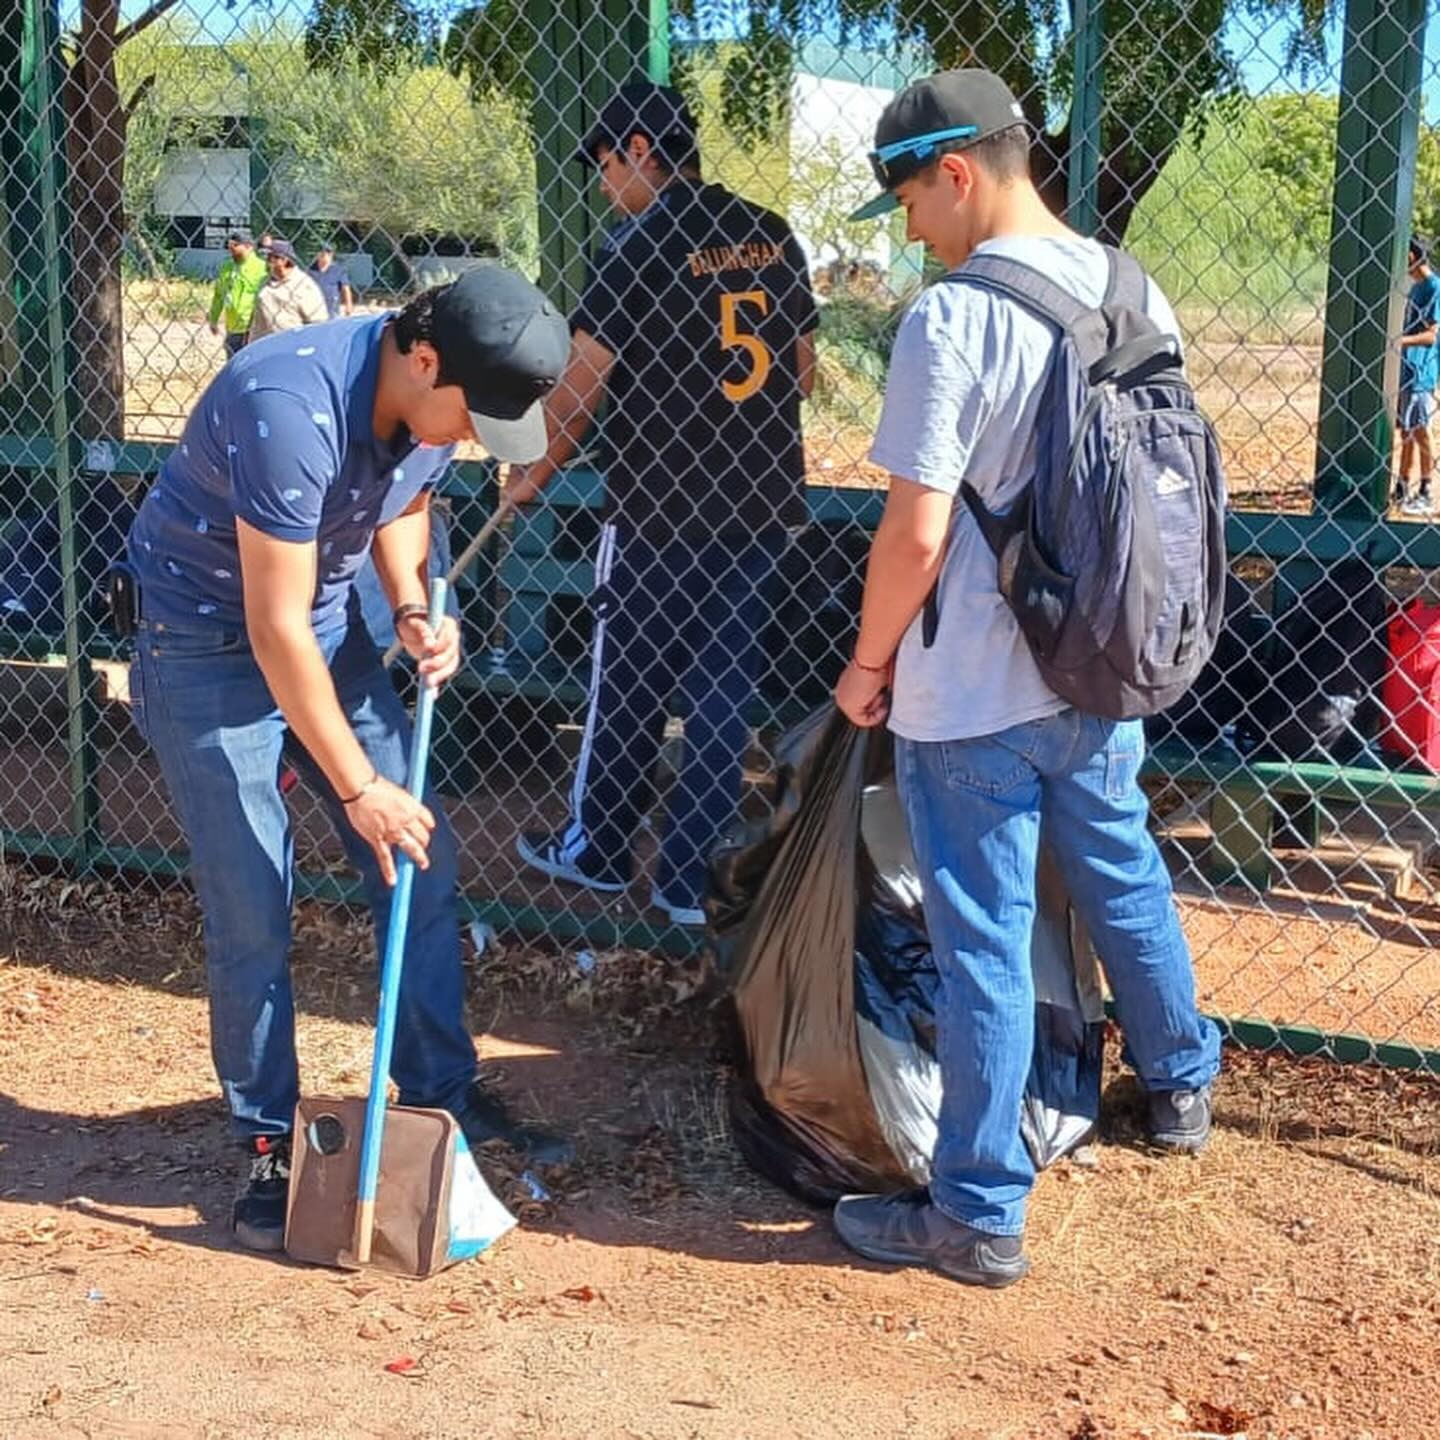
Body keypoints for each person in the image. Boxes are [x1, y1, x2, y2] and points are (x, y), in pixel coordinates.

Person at [830, 69, 1222, 1288]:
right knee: (1121, 869)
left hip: (974, 696)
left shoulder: (951, 318)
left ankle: (977, 1213)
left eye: (910, 200)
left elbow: (915, 535)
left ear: (958, 173)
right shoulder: (1130, 282)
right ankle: (1182, 1086)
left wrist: (867, 664)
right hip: (1104, 665)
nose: (910, 230)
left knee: (983, 943)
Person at [123, 267, 573, 1253]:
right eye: (475, 415)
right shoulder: (288, 405)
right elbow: (274, 627)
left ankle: (441, 1094)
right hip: (206, 647)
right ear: (425, 362)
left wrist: (409, 606)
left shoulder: (426, 401)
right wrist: (360, 787)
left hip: (327, 634)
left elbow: (403, 502)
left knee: (419, 860)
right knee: (252, 902)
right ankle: (269, 1142)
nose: (474, 438)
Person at [511, 83, 819, 928]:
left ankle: (599, 849)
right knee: (721, 693)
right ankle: (689, 881)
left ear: (641, 150)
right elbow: (801, 371)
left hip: (660, 505)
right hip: (759, 499)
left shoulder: (636, 243)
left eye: (606, 165)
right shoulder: (771, 230)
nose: (605, 184)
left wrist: (532, 471)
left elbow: (583, 383)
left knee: (628, 682)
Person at [1394, 236, 1440, 517]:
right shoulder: (1416, 288)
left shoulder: (1434, 287)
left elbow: (1432, 335)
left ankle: (1426, 489)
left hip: (1421, 371)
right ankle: (1402, 486)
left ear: (1411, 256)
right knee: (1408, 431)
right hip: (1408, 371)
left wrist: (1398, 341)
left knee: (1421, 430)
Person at [249, 238, 328, 341]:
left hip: (293, 343)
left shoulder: (303, 284)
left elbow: (318, 321)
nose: (266, 261)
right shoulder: (264, 282)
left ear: (283, 260)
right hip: (264, 344)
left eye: (270, 257)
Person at [207, 231, 266, 358]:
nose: (231, 249)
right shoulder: (226, 267)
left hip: (254, 327)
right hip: (233, 327)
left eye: (235, 245)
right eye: (229, 246)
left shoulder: (262, 268)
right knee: (233, 361)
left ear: (249, 246)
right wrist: (213, 319)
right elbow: (219, 296)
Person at [311, 242, 356, 319]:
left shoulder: (338, 270)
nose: (326, 255)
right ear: (318, 255)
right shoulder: (310, 271)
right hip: (315, 308)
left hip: (332, 309)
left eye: (329, 253)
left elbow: (346, 288)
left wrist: (348, 305)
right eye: (322, 253)